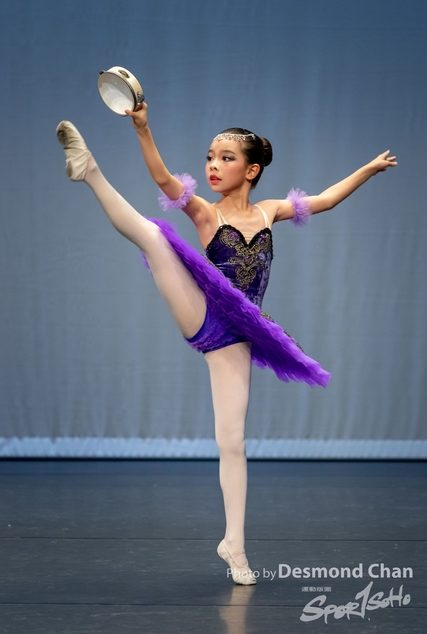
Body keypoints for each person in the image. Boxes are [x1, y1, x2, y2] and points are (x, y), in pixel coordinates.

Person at [56, 106, 396, 585]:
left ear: (251, 170)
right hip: (205, 309)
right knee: (153, 235)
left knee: (232, 441)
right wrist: (143, 128)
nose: (213, 166)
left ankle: (234, 544)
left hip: (241, 332)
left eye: (226, 158)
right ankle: (89, 169)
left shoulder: (270, 211)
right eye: (210, 157)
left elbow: (325, 200)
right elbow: (163, 178)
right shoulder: (205, 211)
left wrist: (369, 169)